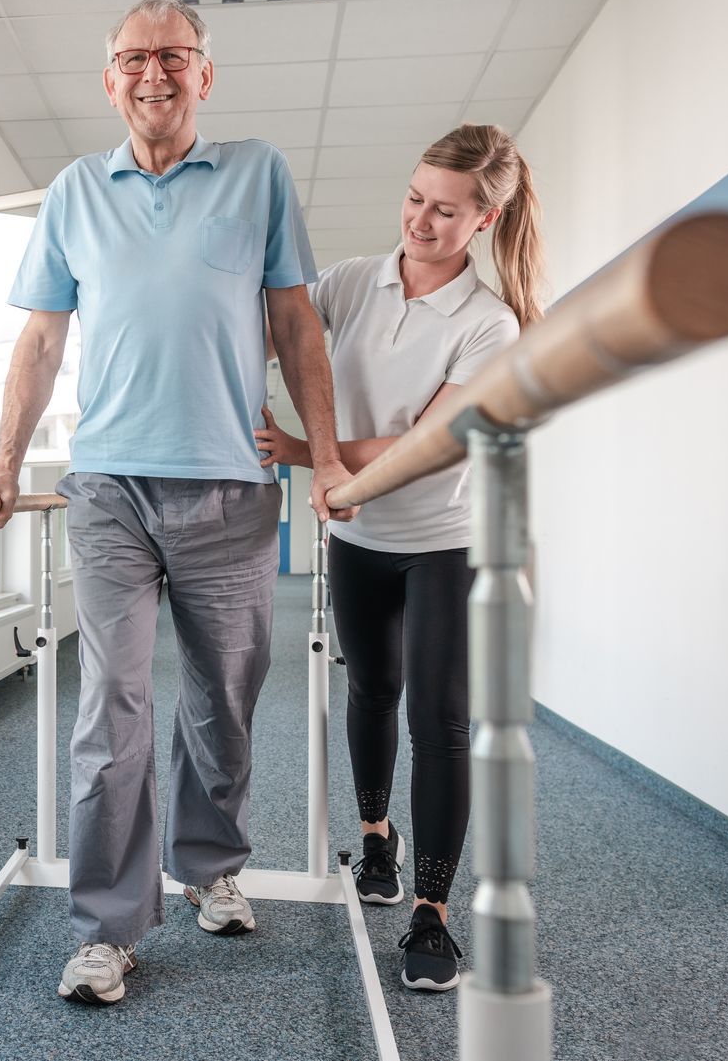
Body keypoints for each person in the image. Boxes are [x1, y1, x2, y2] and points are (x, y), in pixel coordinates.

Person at [0, 0, 354, 1006]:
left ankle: (211, 862)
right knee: (113, 708)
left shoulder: (257, 174)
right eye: (134, 57)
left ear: (205, 74)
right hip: (108, 490)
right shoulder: (72, 193)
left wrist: (330, 462)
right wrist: (7, 465)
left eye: (174, 56)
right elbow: (42, 342)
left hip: (230, 488)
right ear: (109, 79)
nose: (154, 72)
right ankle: (107, 926)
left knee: (222, 700)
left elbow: (296, 328)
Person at [255, 124, 546, 993]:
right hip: (358, 539)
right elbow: (274, 337)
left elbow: (431, 442)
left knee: (441, 721)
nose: (420, 219)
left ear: (484, 219)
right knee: (372, 690)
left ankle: (432, 911)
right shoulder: (350, 282)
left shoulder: (490, 324)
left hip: (442, 543)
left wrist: (307, 452)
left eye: (445, 209)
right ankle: (377, 835)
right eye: (415, 197)